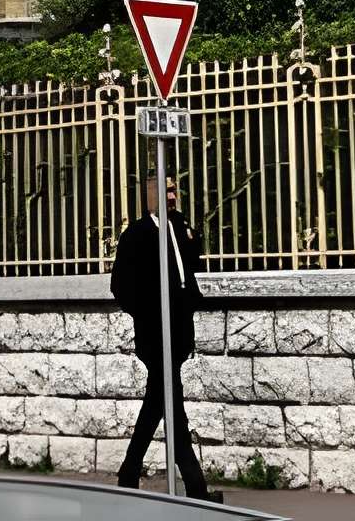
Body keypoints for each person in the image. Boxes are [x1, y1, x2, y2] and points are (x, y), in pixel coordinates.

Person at [109, 172, 220, 500]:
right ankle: (196, 488)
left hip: (179, 332)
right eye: (167, 191)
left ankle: (129, 474)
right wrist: (149, 313)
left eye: (174, 191)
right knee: (169, 404)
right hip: (155, 335)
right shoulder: (138, 235)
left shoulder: (178, 228)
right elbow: (121, 287)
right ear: (150, 194)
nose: (173, 196)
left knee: (161, 403)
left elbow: (189, 269)